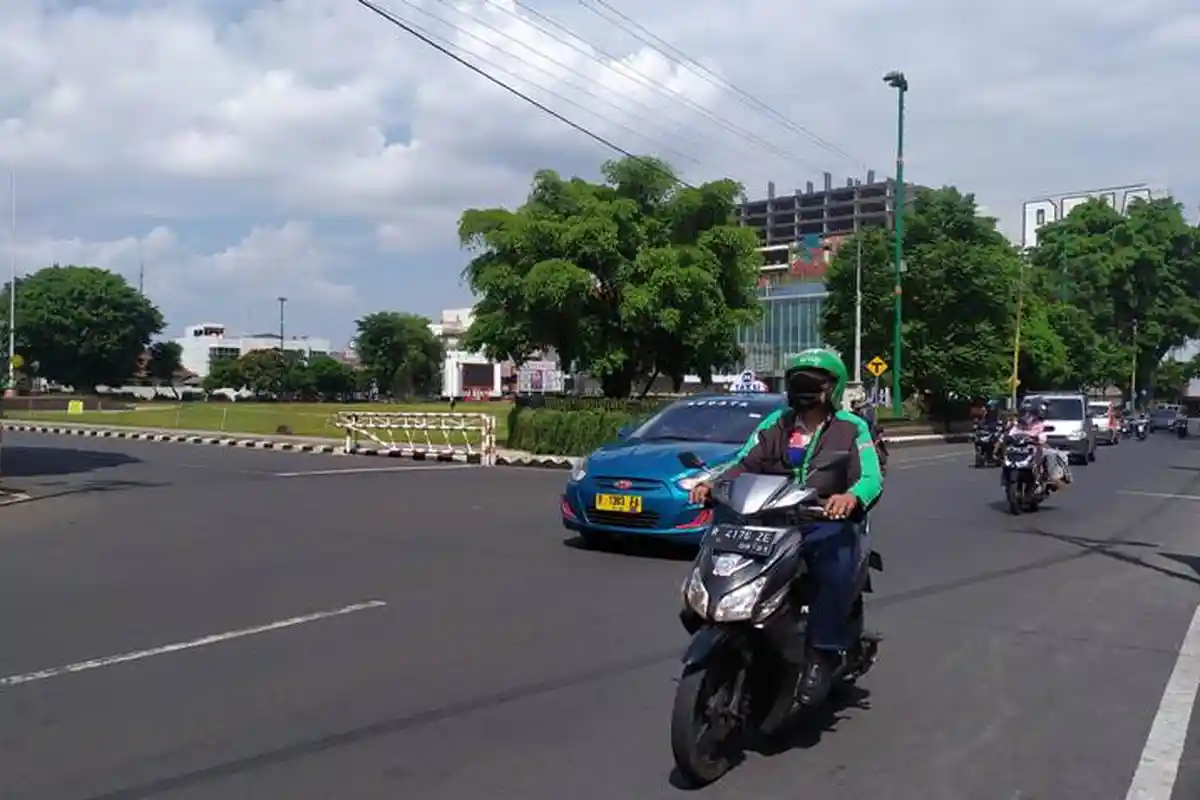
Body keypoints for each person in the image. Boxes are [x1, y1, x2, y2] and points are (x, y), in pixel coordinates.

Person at [688, 349, 884, 707]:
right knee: (719, 544)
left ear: (832, 388)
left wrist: (851, 497)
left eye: (814, 383)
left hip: (821, 520)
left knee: (833, 559)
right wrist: (711, 484)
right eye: (798, 382)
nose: (805, 390)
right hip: (768, 519)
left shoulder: (851, 428)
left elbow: (871, 476)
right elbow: (742, 462)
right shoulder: (775, 424)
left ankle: (822, 654)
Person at [1009, 399, 1071, 488]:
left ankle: (1051, 477)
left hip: (1036, 446)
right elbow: (1012, 432)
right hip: (1021, 446)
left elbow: (1043, 435)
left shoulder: (1042, 423)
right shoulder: (1020, 423)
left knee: (1053, 455)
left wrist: (1038, 438)